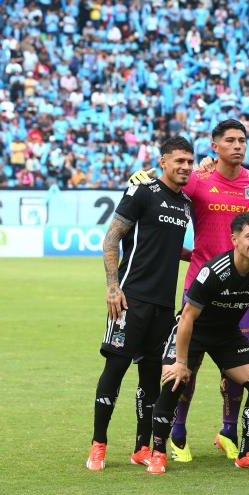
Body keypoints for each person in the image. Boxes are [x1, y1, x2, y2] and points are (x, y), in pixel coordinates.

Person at [130, 119, 249, 462]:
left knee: (237, 364)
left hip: (241, 291)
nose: (237, 146)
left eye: (242, 140)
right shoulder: (198, 178)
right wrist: (143, 174)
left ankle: (228, 431)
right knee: (187, 363)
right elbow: (161, 193)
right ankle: (177, 433)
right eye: (230, 140)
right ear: (214, 145)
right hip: (200, 285)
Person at [86, 136, 194, 471]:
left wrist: (195, 257)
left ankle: (141, 447)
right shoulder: (142, 191)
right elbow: (113, 237)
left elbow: (165, 247)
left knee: (150, 377)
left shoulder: (185, 203)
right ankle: (98, 444)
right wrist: (112, 287)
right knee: (115, 369)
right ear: (163, 161)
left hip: (164, 305)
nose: (185, 168)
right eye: (179, 161)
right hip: (131, 300)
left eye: (190, 162)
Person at [147, 212, 249, 474]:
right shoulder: (214, 271)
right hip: (192, 331)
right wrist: (182, 363)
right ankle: (158, 453)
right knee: (175, 381)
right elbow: (187, 318)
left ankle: (247, 452)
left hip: (226, 335)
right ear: (234, 240)